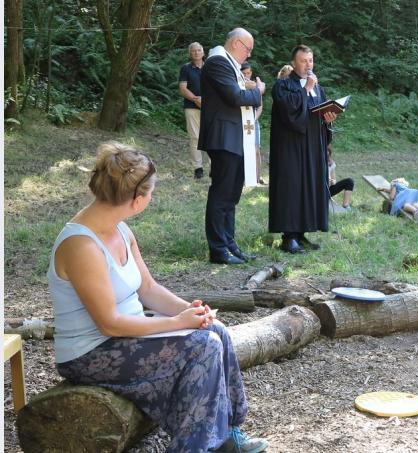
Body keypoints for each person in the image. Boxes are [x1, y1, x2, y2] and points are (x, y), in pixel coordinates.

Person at [48, 142, 268, 453]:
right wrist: (177, 323)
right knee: (202, 347)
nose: (151, 198)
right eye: (150, 192)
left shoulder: (120, 229)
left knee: (214, 330)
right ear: (137, 200)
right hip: (89, 354)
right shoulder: (81, 246)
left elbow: (148, 288)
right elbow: (109, 324)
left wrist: (191, 311)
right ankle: (196, 448)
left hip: (123, 337)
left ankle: (227, 436)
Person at [198, 28, 265, 265]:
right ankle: (218, 249)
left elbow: (237, 93)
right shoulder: (218, 62)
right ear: (236, 43)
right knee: (222, 193)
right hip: (223, 136)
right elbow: (235, 97)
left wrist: (248, 89)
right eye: (248, 49)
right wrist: (257, 91)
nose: (248, 55)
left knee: (232, 194)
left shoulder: (230, 65)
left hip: (234, 137)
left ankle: (229, 244)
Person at [270, 44, 337, 254]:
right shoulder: (282, 86)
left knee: (310, 187)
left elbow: (320, 113)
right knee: (292, 188)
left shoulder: (319, 88)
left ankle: (302, 233)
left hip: (313, 147)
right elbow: (289, 112)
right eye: (303, 61)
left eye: (310, 60)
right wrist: (306, 89)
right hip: (290, 148)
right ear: (293, 63)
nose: (308, 65)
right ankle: (289, 237)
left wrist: (329, 118)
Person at [178, 42, 207, 179]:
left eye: (199, 50)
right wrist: (196, 99)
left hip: (211, 107)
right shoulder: (186, 68)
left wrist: (207, 101)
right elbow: (183, 88)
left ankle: (215, 167)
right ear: (190, 53)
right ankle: (198, 168)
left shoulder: (210, 67)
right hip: (191, 107)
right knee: (195, 137)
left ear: (203, 52)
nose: (196, 53)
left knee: (212, 136)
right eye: (193, 51)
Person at [241, 62, 266, 185]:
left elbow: (260, 107)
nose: (246, 75)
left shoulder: (256, 87)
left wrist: (253, 119)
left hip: (253, 122)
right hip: (241, 123)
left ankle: (257, 177)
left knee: (256, 149)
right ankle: (244, 177)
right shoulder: (238, 86)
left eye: (248, 73)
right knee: (243, 149)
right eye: (244, 73)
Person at [327, 144, 353, 210]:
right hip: (317, 191)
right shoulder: (314, 162)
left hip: (328, 190)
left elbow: (334, 180)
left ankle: (345, 205)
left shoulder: (331, 163)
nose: (326, 152)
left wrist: (332, 181)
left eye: (328, 151)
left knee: (349, 181)